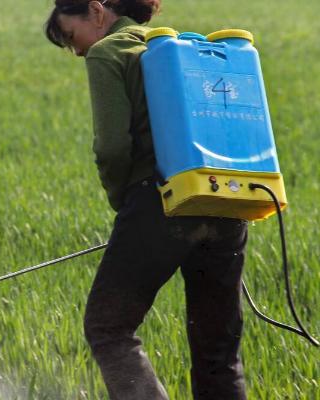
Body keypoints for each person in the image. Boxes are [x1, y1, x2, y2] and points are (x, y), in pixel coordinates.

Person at [45, 1, 248, 399]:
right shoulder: (179, 49)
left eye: (72, 37)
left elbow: (112, 149)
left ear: (96, 10)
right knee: (217, 353)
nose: (79, 51)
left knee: (108, 327)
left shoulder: (109, 52)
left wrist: (124, 202)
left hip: (159, 204)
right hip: (225, 204)